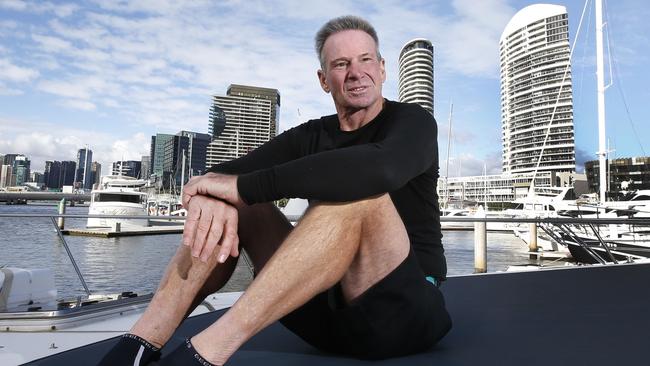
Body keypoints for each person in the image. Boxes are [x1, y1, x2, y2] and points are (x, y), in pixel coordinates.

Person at [98, 15, 451, 366]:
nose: (356, 72)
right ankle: (141, 343)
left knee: (359, 195)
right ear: (324, 80)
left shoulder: (413, 123)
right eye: (341, 64)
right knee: (233, 204)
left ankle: (205, 353)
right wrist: (219, 194)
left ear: (383, 68)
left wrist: (242, 187)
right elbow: (219, 175)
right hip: (321, 317)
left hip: (399, 315)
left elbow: (381, 169)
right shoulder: (311, 135)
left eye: (366, 60)